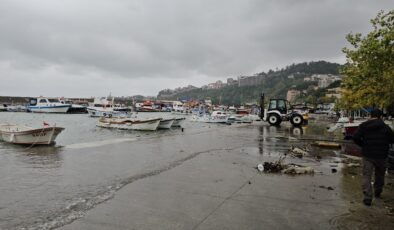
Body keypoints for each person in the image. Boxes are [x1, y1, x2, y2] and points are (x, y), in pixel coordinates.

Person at [353, 109, 394, 206]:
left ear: (370, 116)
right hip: (382, 155)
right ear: (381, 116)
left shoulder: (364, 126)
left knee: (367, 175)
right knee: (380, 174)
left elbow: (355, 138)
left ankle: (367, 197)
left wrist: (363, 144)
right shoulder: (386, 127)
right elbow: (392, 139)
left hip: (368, 154)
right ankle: (378, 191)